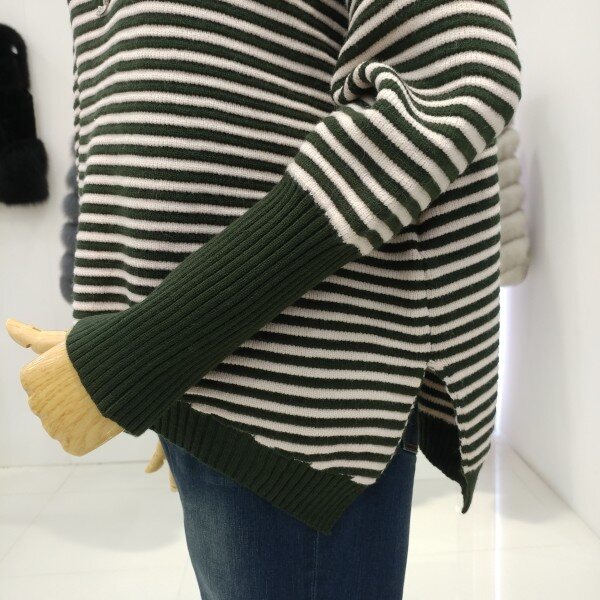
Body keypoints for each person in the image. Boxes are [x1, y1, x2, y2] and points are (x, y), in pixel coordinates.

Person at [7, 1, 521, 597]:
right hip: (194, 373)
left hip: (298, 394)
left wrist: (143, 353)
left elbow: (461, 72)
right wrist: (160, 373)